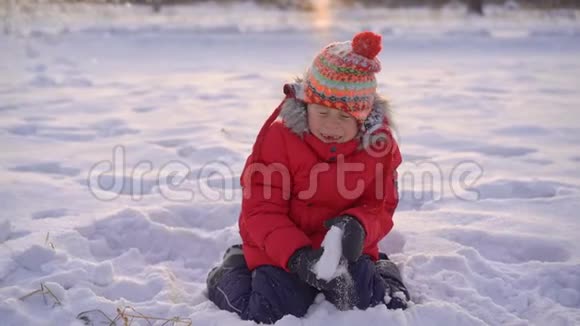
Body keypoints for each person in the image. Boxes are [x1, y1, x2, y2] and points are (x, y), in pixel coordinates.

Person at [206, 31, 410, 324]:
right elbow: (261, 210)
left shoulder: (377, 148)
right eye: (322, 112)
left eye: (344, 117)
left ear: (363, 117)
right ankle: (232, 268)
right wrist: (297, 256)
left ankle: (384, 270)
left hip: (342, 250)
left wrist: (359, 226)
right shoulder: (278, 140)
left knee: (373, 305)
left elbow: (380, 205)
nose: (331, 126)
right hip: (279, 248)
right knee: (272, 310)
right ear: (306, 104)